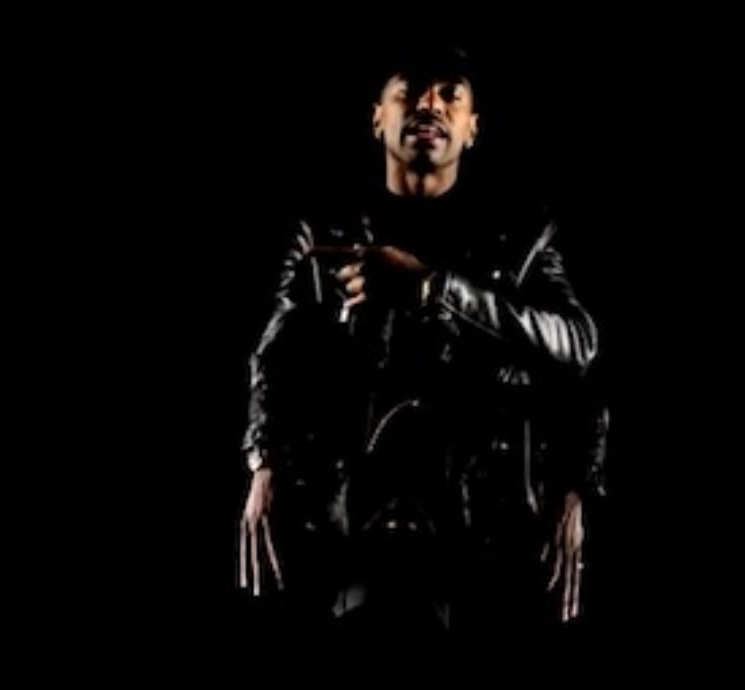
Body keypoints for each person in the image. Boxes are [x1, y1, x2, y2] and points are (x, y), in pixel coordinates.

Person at [236, 44, 608, 641]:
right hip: (346, 528)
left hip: (480, 532)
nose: (428, 106)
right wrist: (264, 463)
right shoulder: (324, 233)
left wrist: (435, 289)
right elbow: (274, 357)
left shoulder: (520, 237)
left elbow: (576, 348)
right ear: (377, 117)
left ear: (473, 127)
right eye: (409, 91)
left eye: (449, 95)